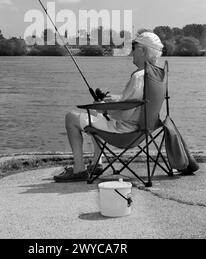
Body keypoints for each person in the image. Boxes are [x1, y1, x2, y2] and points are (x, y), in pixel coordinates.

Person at [54, 31, 164, 182]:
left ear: (142, 50)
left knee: (71, 118)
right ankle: (96, 163)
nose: (132, 51)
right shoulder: (155, 74)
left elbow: (125, 113)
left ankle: (78, 169)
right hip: (142, 130)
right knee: (94, 110)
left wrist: (105, 108)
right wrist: (115, 100)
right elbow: (139, 101)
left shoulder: (138, 77)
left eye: (134, 46)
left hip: (125, 132)